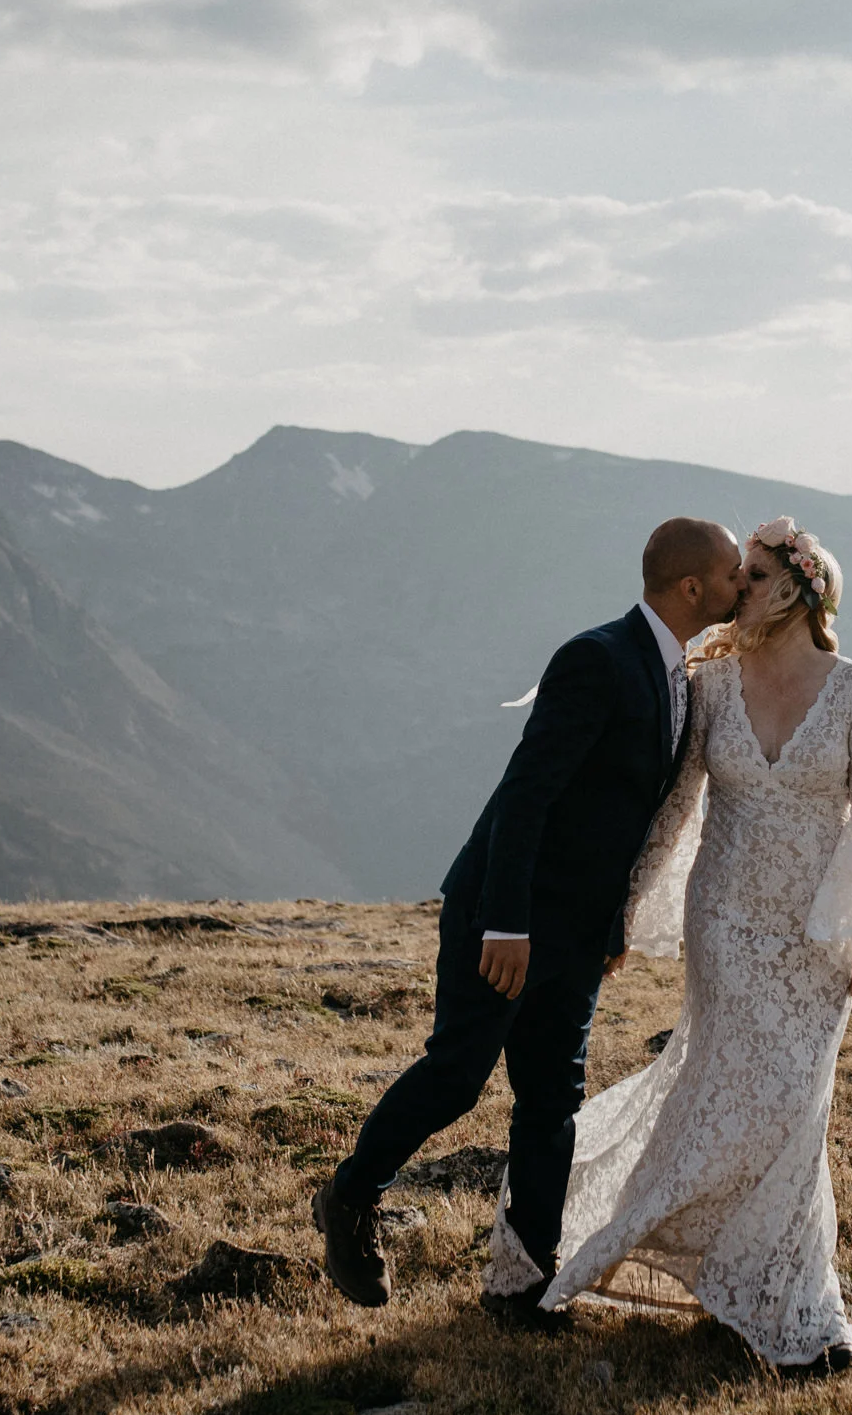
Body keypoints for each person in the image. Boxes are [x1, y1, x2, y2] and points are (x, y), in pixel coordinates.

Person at [485, 513, 852, 1374]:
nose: (730, 591)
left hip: (812, 945)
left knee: (792, 1115)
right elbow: (674, 811)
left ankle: (779, 1292)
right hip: (726, 925)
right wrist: (625, 910)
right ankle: (769, 1303)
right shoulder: (712, 686)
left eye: (747, 576)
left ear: (790, 588)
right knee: (730, 1100)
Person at [315, 517, 747, 1328]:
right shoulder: (598, 658)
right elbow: (526, 794)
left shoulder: (683, 675)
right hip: (504, 918)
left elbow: (630, 817)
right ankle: (349, 1196)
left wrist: (614, 924)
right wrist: (504, 924)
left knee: (553, 1101)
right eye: (732, 575)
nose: (740, 586)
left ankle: (521, 1283)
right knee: (457, 1075)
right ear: (693, 588)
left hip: (581, 932)